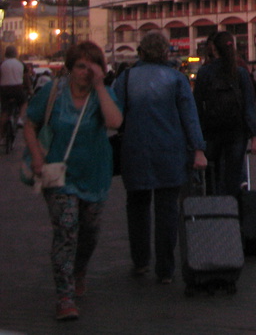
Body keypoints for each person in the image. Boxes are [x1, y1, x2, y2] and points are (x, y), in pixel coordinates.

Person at [23, 42, 123, 321]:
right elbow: (29, 123)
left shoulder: (104, 94)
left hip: (95, 175)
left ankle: (80, 269)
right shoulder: (53, 92)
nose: (85, 72)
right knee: (66, 230)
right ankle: (64, 296)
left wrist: (101, 87)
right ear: (70, 68)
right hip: (59, 175)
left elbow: (115, 122)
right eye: (80, 66)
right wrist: (36, 157)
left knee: (89, 232)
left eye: (92, 67)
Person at [113, 31, 207, 284]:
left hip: (135, 150)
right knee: (167, 210)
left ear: (141, 51)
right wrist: (198, 149)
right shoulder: (176, 79)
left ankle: (141, 260)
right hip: (170, 151)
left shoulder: (126, 78)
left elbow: (114, 115)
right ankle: (165, 268)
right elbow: (190, 116)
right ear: (166, 53)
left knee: (137, 207)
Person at [194, 31, 256, 196]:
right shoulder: (241, 73)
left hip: (211, 132)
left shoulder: (205, 72)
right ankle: (233, 211)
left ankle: (215, 211)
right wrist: (254, 137)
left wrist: (197, 142)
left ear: (214, 49)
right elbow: (249, 107)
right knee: (234, 175)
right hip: (237, 133)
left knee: (212, 175)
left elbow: (196, 107)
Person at [1, 45, 27, 138]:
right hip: (18, 88)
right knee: (24, 103)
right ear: (16, 54)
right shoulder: (20, 64)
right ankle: (20, 119)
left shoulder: (2, 64)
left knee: (4, 111)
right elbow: (26, 77)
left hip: (5, 89)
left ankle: (1, 135)